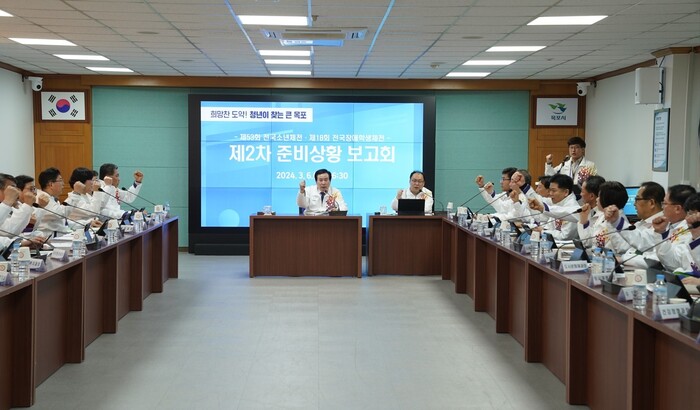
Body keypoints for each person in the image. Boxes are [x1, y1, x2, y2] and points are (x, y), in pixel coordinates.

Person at [602, 181, 665, 266]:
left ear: (651, 203)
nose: (634, 204)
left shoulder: (662, 226)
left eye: (637, 199)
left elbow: (644, 246)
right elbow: (622, 247)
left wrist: (623, 259)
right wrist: (612, 222)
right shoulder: (640, 223)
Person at [577, 181, 629, 250]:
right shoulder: (602, 216)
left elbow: (615, 250)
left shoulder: (619, 221)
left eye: (599, 196)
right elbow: (588, 242)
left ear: (607, 199)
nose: (597, 199)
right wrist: (584, 220)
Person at [527, 174, 579, 241]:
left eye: (553, 191)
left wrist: (543, 231)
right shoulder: (558, 202)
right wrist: (539, 229)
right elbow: (548, 227)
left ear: (566, 192)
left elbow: (565, 237)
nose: (550, 194)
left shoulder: (572, 207)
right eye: (549, 190)